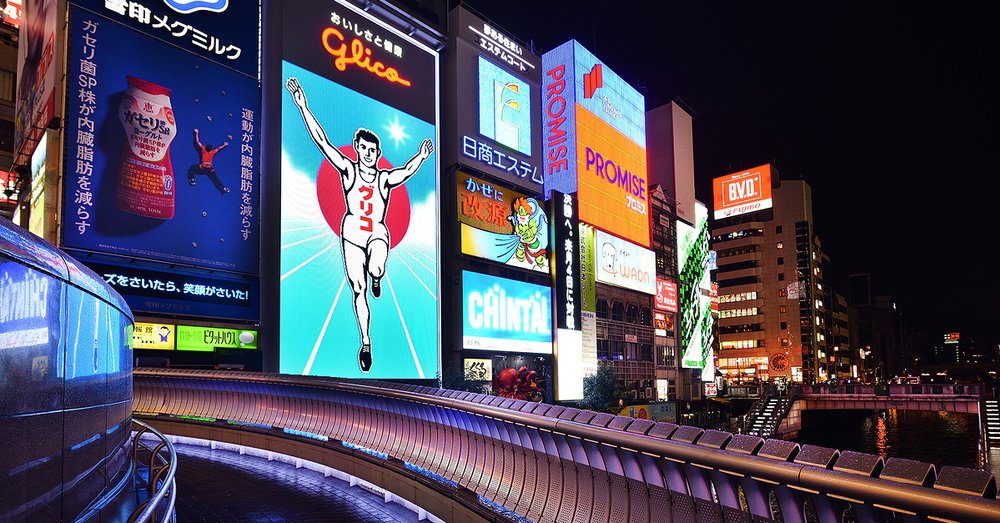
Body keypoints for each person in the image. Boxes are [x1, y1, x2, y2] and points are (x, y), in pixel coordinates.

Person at [286, 77, 434, 373]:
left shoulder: (383, 178)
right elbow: (322, 142)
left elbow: (405, 171)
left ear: (378, 154)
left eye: (372, 150)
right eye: (363, 148)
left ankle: (377, 274)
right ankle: (366, 342)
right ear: (357, 148)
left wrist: (421, 155)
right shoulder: (348, 170)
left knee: (376, 266)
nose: (368, 153)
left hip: (377, 230)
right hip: (352, 231)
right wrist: (302, 105)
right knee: (358, 288)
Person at [188, 128, 230, 194]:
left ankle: (192, 179)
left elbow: (197, 141)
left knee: (192, 168)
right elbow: (219, 148)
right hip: (210, 169)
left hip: (202, 167)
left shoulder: (203, 149)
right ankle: (224, 188)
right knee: (216, 179)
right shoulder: (212, 152)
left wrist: (196, 133)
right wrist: (225, 145)